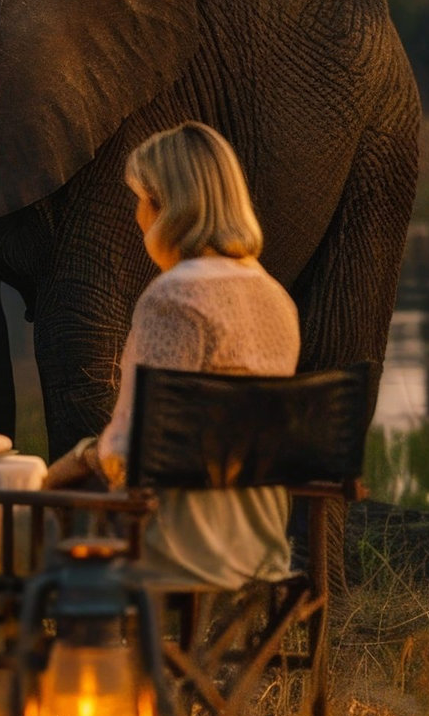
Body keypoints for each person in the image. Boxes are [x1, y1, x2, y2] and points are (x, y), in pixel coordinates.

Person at [44, 121, 300, 589]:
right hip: (260, 545)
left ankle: (20, 635)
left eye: (140, 200)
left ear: (164, 206)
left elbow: (132, 452)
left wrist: (72, 464)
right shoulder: (275, 298)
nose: (137, 216)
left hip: (176, 543)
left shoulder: (174, 297)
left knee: (2, 525)